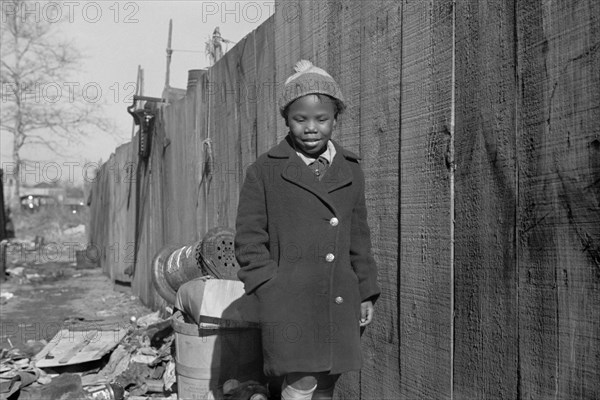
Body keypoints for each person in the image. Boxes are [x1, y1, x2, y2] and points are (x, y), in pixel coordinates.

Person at [235, 60, 380, 400]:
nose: (311, 128)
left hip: (338, 296)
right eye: (300, 119)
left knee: (328, 380)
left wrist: (366, 291)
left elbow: (359, 236)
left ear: (336, 118)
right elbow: (249, 237)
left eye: (322, 119)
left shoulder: (351, 170)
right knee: (300, 382)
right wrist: (269, 285)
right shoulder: (265, 171)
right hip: (290, 301)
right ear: (287, 119)